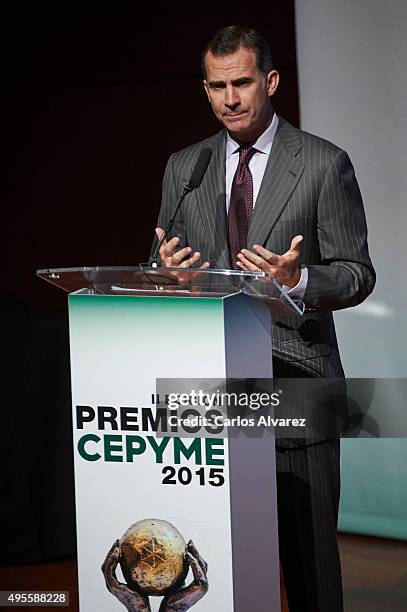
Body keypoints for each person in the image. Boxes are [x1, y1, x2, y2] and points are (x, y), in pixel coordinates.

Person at [153, 25, 375, 611]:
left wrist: (297, 280)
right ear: (205, 89)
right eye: (217, 86)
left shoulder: (325, 164)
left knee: (310, 568)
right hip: (212, 392)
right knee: (217, 564)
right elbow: (163, 260)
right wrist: (167, 274)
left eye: (243, 83)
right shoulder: (186, 167)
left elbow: (357, 273)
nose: (230, 98)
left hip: (299, 380)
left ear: (270, 82)